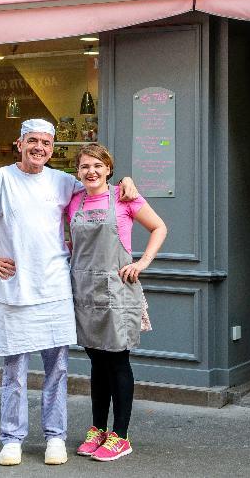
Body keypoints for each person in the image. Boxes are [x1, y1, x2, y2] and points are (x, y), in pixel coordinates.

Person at [0, 120, 137, 467]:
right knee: (15, 373)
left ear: (53, 148)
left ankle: (55, 437)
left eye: (46, 143)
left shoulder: (63, 182)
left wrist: (126, 181)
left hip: (56, 290)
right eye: (32, 141)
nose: (40, 147)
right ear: (19, 143)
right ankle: (12, 439)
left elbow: (100, 185)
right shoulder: (1, 179)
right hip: (17, 290)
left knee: (58, 371)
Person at [68, 144, 167, 462]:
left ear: (108, 169)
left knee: (118, 362)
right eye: (84, 167)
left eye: (97, 165)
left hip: (117, 290)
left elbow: (158, 227)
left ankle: (120, 435)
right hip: (84, 291)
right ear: (78, 172)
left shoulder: (124, 196)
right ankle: (98, 429)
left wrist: (142, 263)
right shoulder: (73, 201)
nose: (91, 172)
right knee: (97, 363)